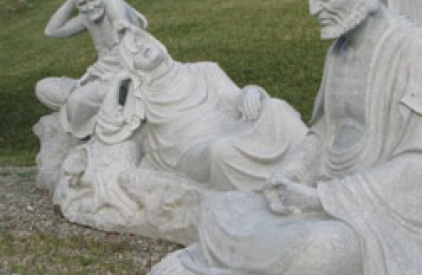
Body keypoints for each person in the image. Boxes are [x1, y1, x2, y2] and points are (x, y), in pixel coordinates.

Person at [181, 0, 422, 275]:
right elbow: (323, 132)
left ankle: (289, 264)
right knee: (216, 208)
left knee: (322, 253)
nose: (313, 10)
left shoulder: (418, 51)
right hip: (323, 196)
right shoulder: (340, 51)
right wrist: (292, 173)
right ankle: (280, 257)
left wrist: (325, 199)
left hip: (382, 221)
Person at [94, 27, 307, 191]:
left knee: (276, 108)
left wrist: (251, 92)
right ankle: (262, 199)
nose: (142, 48)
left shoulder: (205, 70)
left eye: (142, 41)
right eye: (133, 51)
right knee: (221, 152)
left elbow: (234, 98)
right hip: (192, 153)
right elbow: (108, 128)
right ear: (131, 64)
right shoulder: (142, 95)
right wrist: (117, 82)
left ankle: (311, 168)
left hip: (231, 129)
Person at [35, 0, 147, 138]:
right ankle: (89, 106)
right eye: (83, 3)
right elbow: (51, 31)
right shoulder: (87, 16)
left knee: (77, 100)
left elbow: (127, 48)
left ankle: (93, 113)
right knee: (42, 87)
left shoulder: (114, 7)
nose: (90, 7)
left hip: (123, 78)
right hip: (97, 79)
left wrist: (93, 73)